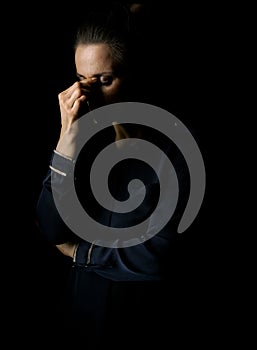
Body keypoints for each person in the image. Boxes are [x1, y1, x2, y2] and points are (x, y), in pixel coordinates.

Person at [36, 2, 191, 344]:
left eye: (104, 80)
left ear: (135, 73)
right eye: (80, 79)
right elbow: (51, 227)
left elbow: (160, 256)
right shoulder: (87, 144)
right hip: (80, 318)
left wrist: (83, 253)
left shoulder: (174, 148)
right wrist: (66, 143)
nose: (88, 95)